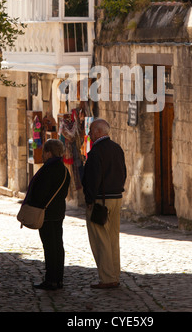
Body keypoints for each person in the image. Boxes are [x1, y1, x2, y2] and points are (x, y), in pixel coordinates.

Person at [82, 119, 126, 289]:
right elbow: (124, 172)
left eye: (92, 131)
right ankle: (114, 275)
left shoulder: (96, 152)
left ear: (99, 132)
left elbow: (93, 178)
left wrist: (89, 200)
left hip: (101, 200)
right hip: (116, 197)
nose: (90, 134)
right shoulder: (117, 149)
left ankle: (107, 278)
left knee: (101, 238)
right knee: (113, 238)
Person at [23, 138, 70, 290]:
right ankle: (58, 279)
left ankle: (51, 280)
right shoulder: (63, 169)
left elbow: (41, 191)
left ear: (49, 153)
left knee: (49, 246)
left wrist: (34, 203)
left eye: (44, 152)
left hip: (46, 213)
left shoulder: (48, 169)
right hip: (58, 212)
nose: (42, 155)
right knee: (58, 245)